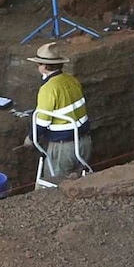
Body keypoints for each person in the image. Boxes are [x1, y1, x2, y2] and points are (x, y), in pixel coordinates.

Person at [26, 42, 92, 183]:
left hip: (64, 147)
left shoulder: (49, 88)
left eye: (38, 64)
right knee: (79, 181)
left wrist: (32, 138)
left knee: (54, 185)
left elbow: (42, 121)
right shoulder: (72, 80)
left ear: (43, 67)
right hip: (84, 142)